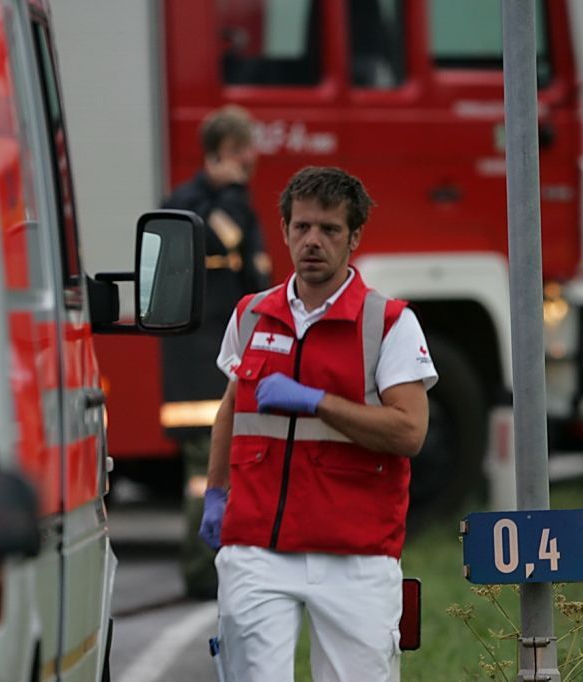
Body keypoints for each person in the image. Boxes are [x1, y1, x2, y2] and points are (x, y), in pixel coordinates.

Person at [199, 166, 437, 680]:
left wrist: (317, 402)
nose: (313, 241)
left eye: (329, 229)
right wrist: (216, 493)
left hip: (355, 554)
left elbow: (409, 432)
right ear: (285, 230)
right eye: (302, 226)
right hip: (256, 547)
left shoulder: (389, 323)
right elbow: (230, 410)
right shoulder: (251, 314)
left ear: (354, 238)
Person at [160, 105, 271, 599]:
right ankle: (201, 573)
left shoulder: (231, 200)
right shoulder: (190, 204)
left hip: (225, 359)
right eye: (241, 150)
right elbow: (225, 235)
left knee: (228, 468)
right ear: (220, 154)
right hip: (200, 368)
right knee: (206, 472)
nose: (250, 158)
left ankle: (221, 569)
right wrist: (231, 194)